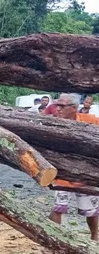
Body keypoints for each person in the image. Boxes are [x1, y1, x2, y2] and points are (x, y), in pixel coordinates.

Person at [48, 94, 99, 240]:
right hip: (62, 175)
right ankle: (53, 239)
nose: (57, 109)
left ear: (74, 108)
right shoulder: (52, 123)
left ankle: (95, 238)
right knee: (58, 207)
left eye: (62, 106)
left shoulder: (89, 121)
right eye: (57, 105)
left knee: (91, 211)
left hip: (86, 175)